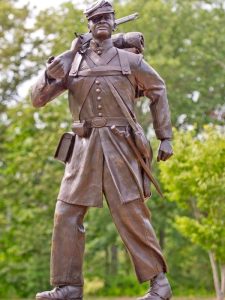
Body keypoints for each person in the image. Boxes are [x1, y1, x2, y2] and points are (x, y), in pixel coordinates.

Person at [31, 1, 173, 299]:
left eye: (107, 17)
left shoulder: (129, 61)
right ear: (88, 25)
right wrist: (49, 74)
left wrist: (165, 136)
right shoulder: (72, 63)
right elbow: (38, 100)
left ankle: (159, 284)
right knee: (66, 213)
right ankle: (68, 286)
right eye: (96, 19)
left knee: (132, 214)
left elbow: (158, 89)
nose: (102, 22)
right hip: (82, 150)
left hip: (120, 147)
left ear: (114, 23)